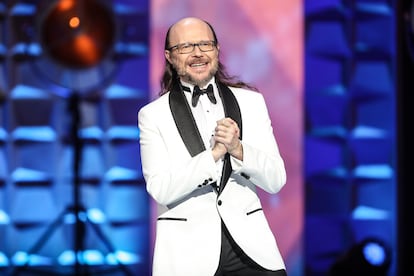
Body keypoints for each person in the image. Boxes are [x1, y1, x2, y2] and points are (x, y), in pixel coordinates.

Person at [138, 17, 287, 276]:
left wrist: (238, 149)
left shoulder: (251, 102)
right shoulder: (153, 115)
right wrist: (215, 154)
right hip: (187, 257)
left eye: (205, 44)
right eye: (185, 47)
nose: (197, 53)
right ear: (169, 57)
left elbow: (275, 180)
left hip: (253, 252)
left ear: (217, 50)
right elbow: (160, 189)